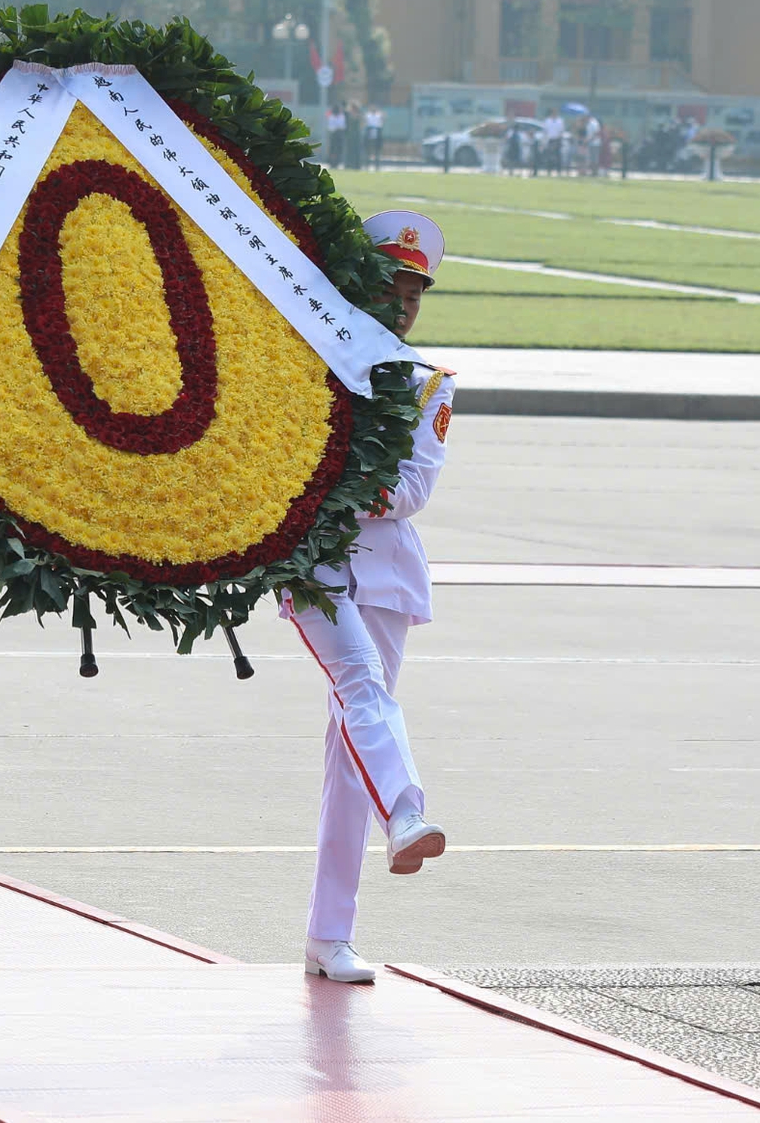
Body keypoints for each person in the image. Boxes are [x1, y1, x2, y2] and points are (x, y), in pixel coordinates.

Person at [284, 209, 454, 986]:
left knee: (352, 747)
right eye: (392, 285)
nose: (404, 302)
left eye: (415, 292)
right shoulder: (308, 360)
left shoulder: (428, 388)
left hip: (383, 573)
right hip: (311, 562)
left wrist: (337, 486)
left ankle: (329, 934)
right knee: (360, 686)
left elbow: (413, 487)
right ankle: (409, 811)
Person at [364, 104, 385, 170]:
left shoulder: (379, 115)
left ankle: (377, 166)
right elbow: (366, 123)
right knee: (368, 151)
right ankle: (367, 165)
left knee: (377, 151)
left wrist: (382, 117)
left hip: (377, 133)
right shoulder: (368, 115)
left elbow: (381, 122)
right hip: (369, 133)